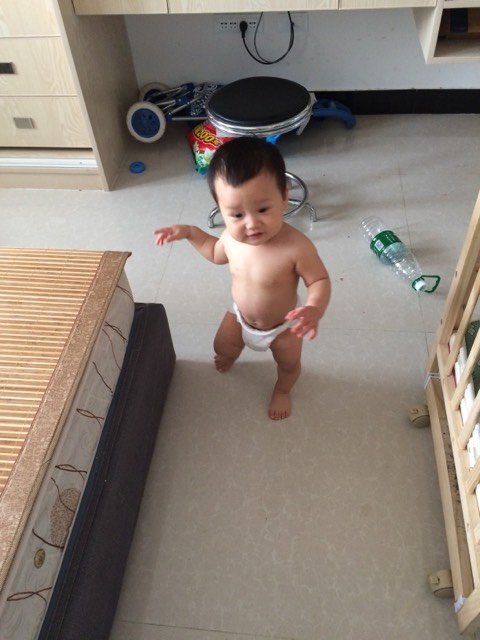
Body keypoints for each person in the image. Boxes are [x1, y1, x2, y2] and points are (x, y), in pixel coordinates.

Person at [154, 137, 331, 420]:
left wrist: (314, 308)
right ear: (221, 209)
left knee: (288, 364)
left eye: (263, 209)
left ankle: (282, 390)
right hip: (239, 316)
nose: (251, 223)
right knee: (221, 346)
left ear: (284, 197)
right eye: (236, 214)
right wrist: (189, 232)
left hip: (283, 327)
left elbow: (319, 280)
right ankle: (230, 356)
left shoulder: (297, 247)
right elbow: (214, 252)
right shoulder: (230, 239)